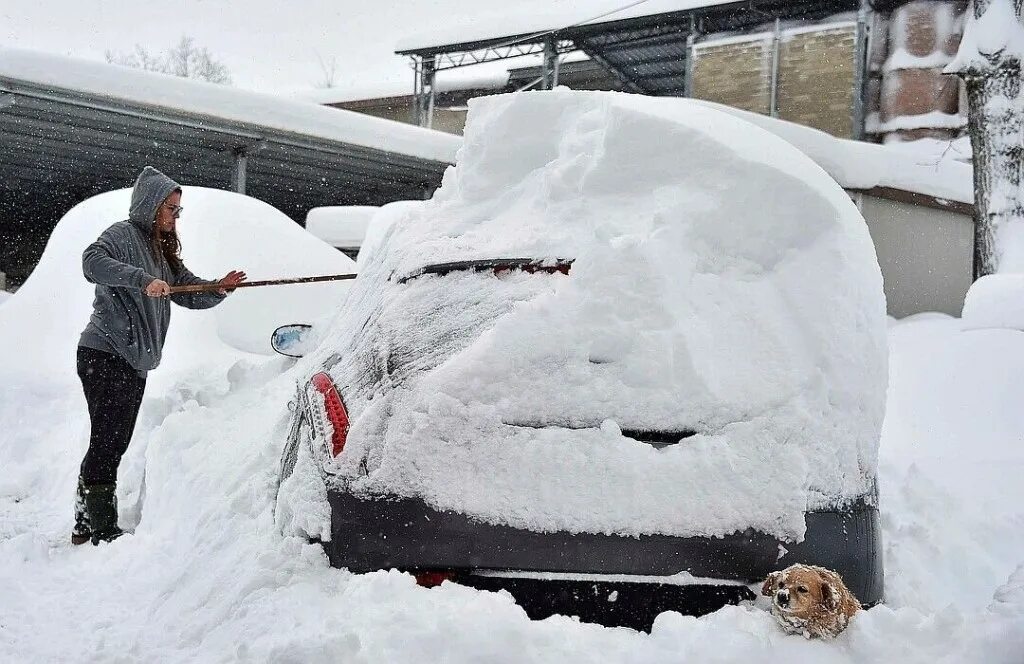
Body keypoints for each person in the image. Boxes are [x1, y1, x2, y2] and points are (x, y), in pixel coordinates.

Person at [73, 166, 247, 545]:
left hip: (132, 360)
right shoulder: (121, 235)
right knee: (109, 439)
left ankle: (86, 522)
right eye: (170, 208)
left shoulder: (161, 250)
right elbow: (91, 262)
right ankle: (98, 526)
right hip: (104, 352)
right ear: (151, 206)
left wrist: (218, 288)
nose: (175, 216)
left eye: (178, 210)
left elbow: (185, 290)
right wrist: (141, 280)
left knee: (111, 438)